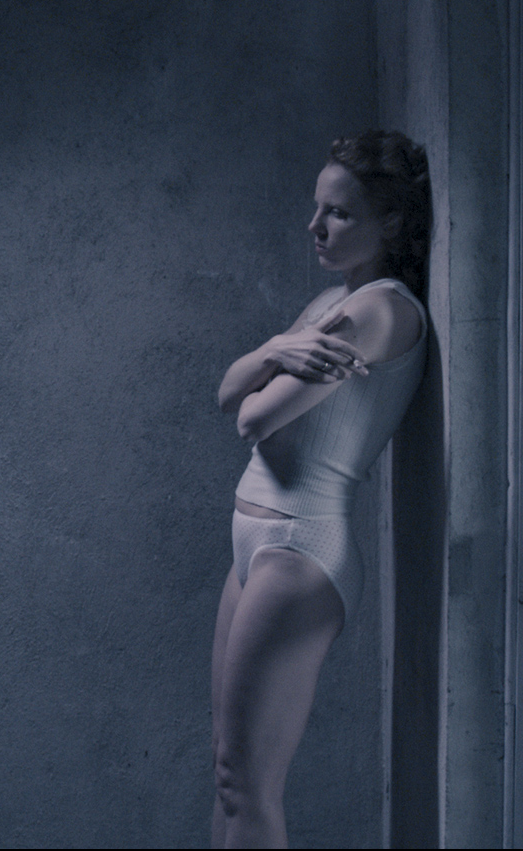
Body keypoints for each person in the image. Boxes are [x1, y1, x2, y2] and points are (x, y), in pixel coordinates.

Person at [210, 130, 431, 848]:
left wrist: (266, 365)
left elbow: (251, 418)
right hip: (261, 544)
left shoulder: (378, 311)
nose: (316, 226)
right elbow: (226, 391)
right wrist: (277, 348)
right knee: (229, 777)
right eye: (317, 208)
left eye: (337, 212)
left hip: (300, 549)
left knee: (249, 786)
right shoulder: (331, 302)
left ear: (389, 221)